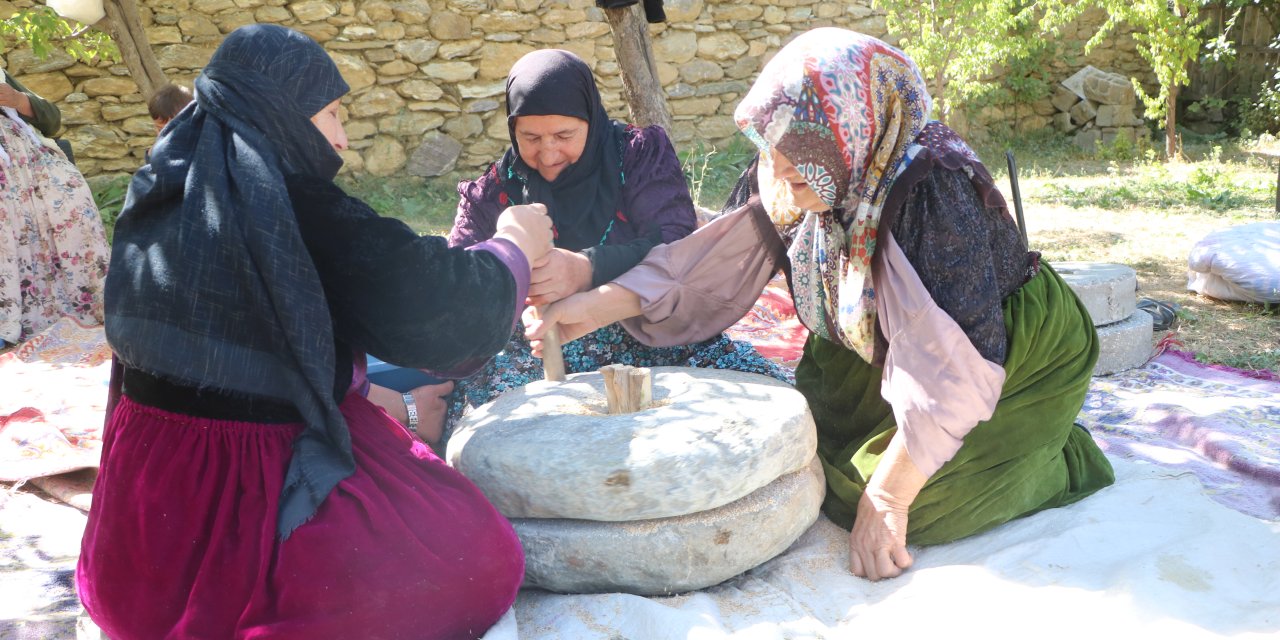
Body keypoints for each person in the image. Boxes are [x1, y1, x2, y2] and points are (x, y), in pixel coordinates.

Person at [527, 28, 1115, 582]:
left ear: (854, 130)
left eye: (801, 151)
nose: (780, 170)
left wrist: (889, 499)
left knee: (922, 506)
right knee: (800, 462)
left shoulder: (927, 190)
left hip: (1005, 350)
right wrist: (594, 306)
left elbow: (955, 361)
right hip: (872, 348)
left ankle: (1056, 448)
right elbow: (706, 261)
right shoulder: (796, 169)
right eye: (773, 149)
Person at [76, 25, 553, 639]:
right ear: (280, 112)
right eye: (330, 114)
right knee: (474, 559)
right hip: (249, 477)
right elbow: (438, 312)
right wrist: (515, 243)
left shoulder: (164, 185)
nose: (343, 139)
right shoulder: (294, 207)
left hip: (143, 514)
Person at [376, 48, 788, 444]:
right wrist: (515, 279)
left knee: (765, 400)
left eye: (564, 134)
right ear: (512, 128)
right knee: (503, 439)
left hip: (649, 326)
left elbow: (677, 239)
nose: (548, 152)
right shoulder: (495, 191)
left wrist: (584, 268)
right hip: (539, 348)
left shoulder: (637, 155)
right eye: (530, 137)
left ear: (590, 119)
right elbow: (459, 282)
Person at [0, 68, 109, 345]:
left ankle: (83, 301)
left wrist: (18, 100)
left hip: (30, 159)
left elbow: (52, 119)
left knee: (72, 200)